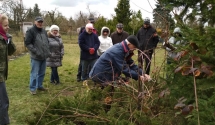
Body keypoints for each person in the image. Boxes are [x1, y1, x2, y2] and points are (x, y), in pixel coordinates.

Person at [24, 16, 50, 95]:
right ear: (35, 22)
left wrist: (47, 51)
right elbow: (27, 43)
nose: (40, 23)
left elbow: (47, 42)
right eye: (38, 22)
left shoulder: (44, 31)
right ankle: (32, 88)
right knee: (34, 74)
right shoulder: (31, 31)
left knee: (42, 73)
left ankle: (39, 86)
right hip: (36, 57)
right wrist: (36, 51)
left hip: (44, 56)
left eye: (41, 22)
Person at [0, 14, 16, 125]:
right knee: (3, 103)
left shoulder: (4, 38)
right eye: (5, 25)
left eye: (8, 25)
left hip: (2, 74)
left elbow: (11, 52)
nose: (8, 27)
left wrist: (9, 40)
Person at [77, 17, 97, 82]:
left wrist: (94, 48)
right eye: (91, 22)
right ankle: (80, 77)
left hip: (93, 53)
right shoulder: (82, 30)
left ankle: (90, 77)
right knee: (83, 66)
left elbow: (97, 42)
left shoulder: (94, 33)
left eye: (92, 22)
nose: (92, 23)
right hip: (85, 52)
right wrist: (88, 49)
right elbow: (81, 42)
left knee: (92, 66)